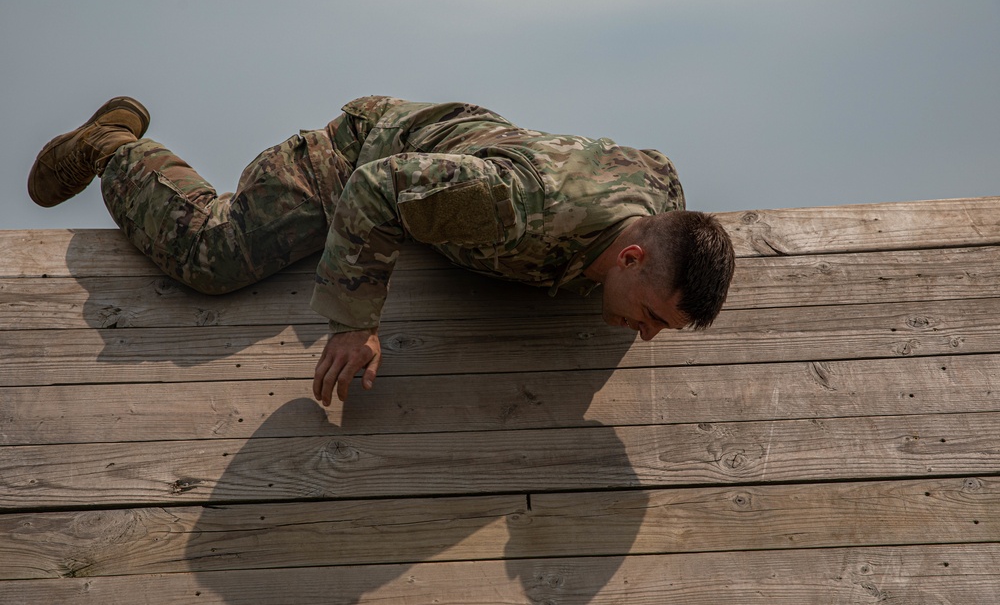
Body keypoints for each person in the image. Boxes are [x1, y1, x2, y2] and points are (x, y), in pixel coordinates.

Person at [28, 95, 736, 406]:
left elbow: (660, 166)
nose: (644, 335)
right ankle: (114, 145)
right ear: (631, 259)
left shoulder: (657, 201)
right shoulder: (517, 207)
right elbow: (380, 185)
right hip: (359, 156)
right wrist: (355, 320)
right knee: (211, 254)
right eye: (648, 316)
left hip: (457, 151)